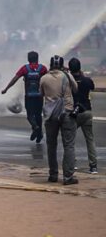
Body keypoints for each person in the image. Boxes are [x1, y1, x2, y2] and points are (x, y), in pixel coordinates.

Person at [40, 55, 78, 185]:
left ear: (51, 65)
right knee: (69, 145)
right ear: (62, 65)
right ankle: (68, 177)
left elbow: (41, 94)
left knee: (51, 146)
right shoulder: (66, 76)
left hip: (50, 115)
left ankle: (53, 174)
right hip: (67, 112)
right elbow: (75, 88)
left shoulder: (44, 78)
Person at [1, 51, 48, 143]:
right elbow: (49, 79)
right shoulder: (42, 68)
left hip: (29, 96)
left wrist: (6, 89)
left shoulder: (25, 68)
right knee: (38, 115)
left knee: (30, 115)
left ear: (28, 59)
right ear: (37, 59)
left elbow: (15, 79)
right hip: (39, 96)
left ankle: (35, 127)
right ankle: (39, 134)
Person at [69, 57, 97, 174]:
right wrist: (83, 75)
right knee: (90, 139)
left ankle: (72, 164)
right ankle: (93, 166)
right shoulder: (87, 80)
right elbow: (92, 87)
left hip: (73, 113)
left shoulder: (68, 81)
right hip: (86, 111)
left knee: (70, 140)